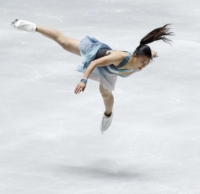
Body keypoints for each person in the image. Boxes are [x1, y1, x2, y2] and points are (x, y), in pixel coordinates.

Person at [11, 19, 173, 133]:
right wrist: (83, 80)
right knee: (64, 42)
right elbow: (94, 64)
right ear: (135, 56)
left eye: (146, 63)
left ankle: (108, 115)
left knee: (105, 93)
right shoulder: (118, 57)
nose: (143, 66)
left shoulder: (143, 56)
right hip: (96, 56)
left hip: (110, 71)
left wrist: (153, 54)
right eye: (143, 62)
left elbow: (150, 52)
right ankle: (31, 26)